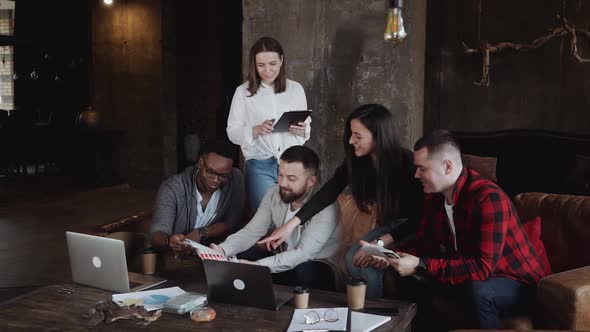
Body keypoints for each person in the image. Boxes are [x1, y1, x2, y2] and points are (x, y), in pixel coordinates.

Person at [371, 130, 549, 330]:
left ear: (447, 166)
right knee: (406, 278)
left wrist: (421, 265)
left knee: (479, 290)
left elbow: (482, 269)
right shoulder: (435, 197)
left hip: (519, 284)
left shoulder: (488, 199)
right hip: (475, 276)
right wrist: (391, 255)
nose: (416, 175)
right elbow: (425, 242)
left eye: (422, 168)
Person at [259, 104, 423, 298]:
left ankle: (374, 315)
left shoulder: (407, 163)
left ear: (378, 136)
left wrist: (379, 243)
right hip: (389, 226)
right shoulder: (358, 161)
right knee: (354, 258)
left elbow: (417, 219)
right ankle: (362, 310)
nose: (352, 140)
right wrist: (291, 224)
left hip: (413, 228)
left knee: (362, 258)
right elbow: (328, 192)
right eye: (351, 134)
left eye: (358, 136)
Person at [210, 146, 342, 290]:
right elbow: (251, 232)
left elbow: (303, 254)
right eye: (280, 175)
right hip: (283, 263)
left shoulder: (327, 207)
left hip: (318, 265)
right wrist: (222, 250)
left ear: (311, 181)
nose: (283, 183)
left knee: (304, 272)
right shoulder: (274, 194)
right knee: (242, 253)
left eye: (291, 178)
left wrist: (258, 267)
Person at [227, 36, 310, 211]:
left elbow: (305, 128)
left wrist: (302, 129)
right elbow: (232, 132)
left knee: (293, 217)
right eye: (261, 65)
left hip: (293, 162)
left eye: (272, 63)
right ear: (253, 65)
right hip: (259, 164)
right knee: (265, 218)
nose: (268, 70)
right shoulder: (242, 92)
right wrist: (255, 130)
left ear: (281, 60)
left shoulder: (296, 89)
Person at [150, 140, 245, 254]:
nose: (216, 180)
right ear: (200, 163)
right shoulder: (173, 188)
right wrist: (168, 241)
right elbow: (157, 232)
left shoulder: (235, 178)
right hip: (178, 258)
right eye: (210, 172)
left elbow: (232, 221)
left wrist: (202, 232)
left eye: (223, 176)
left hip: (217, 253)